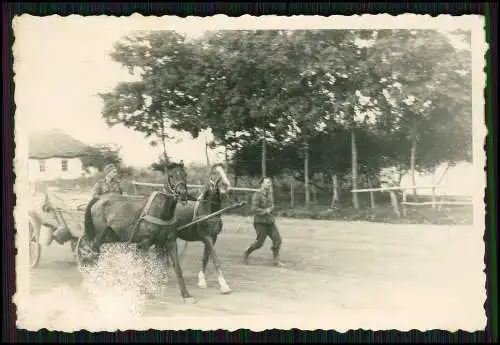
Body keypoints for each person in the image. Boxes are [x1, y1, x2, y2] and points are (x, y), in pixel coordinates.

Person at [243, 177, 284, 267]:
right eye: (267, 182)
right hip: (260, 222)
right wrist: (265, 211)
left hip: (270, 221)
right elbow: (254, 209)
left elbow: (272, 205)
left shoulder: (270, 194)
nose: (269, 184)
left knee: (277, 240)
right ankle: (247, 252)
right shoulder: (257, 195)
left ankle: (276, 260)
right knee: (259, 243)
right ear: (262, 184)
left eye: (270, 182)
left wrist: (271, 209)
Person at [84, 163, 123, 251]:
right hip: (103, 208)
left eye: (115, 172)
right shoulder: (100, 183)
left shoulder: (117, 183)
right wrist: (105, 198)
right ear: (108, 173)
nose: (115, 173)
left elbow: (121, 196)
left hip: (115, 209)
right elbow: (94, 195)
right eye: (113, 172)